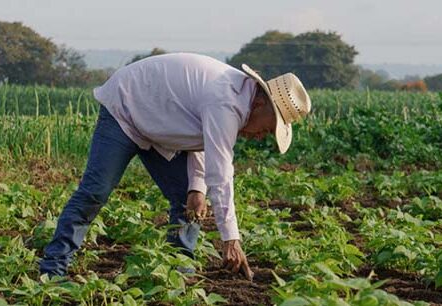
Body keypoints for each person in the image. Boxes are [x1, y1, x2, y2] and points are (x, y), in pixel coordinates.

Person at [39, 53, 311, 280]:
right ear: (261, 102)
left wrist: (196, 188)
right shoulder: (226, 102)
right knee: (95, 192)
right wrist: (231, 239)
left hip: (158, 124)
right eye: (269, 126)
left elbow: (201, 139)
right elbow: (221, 175)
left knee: (188, 199)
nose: (263, 134)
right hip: (125, 108)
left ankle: (178, 273)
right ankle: (53, 271)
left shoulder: (234, 102)